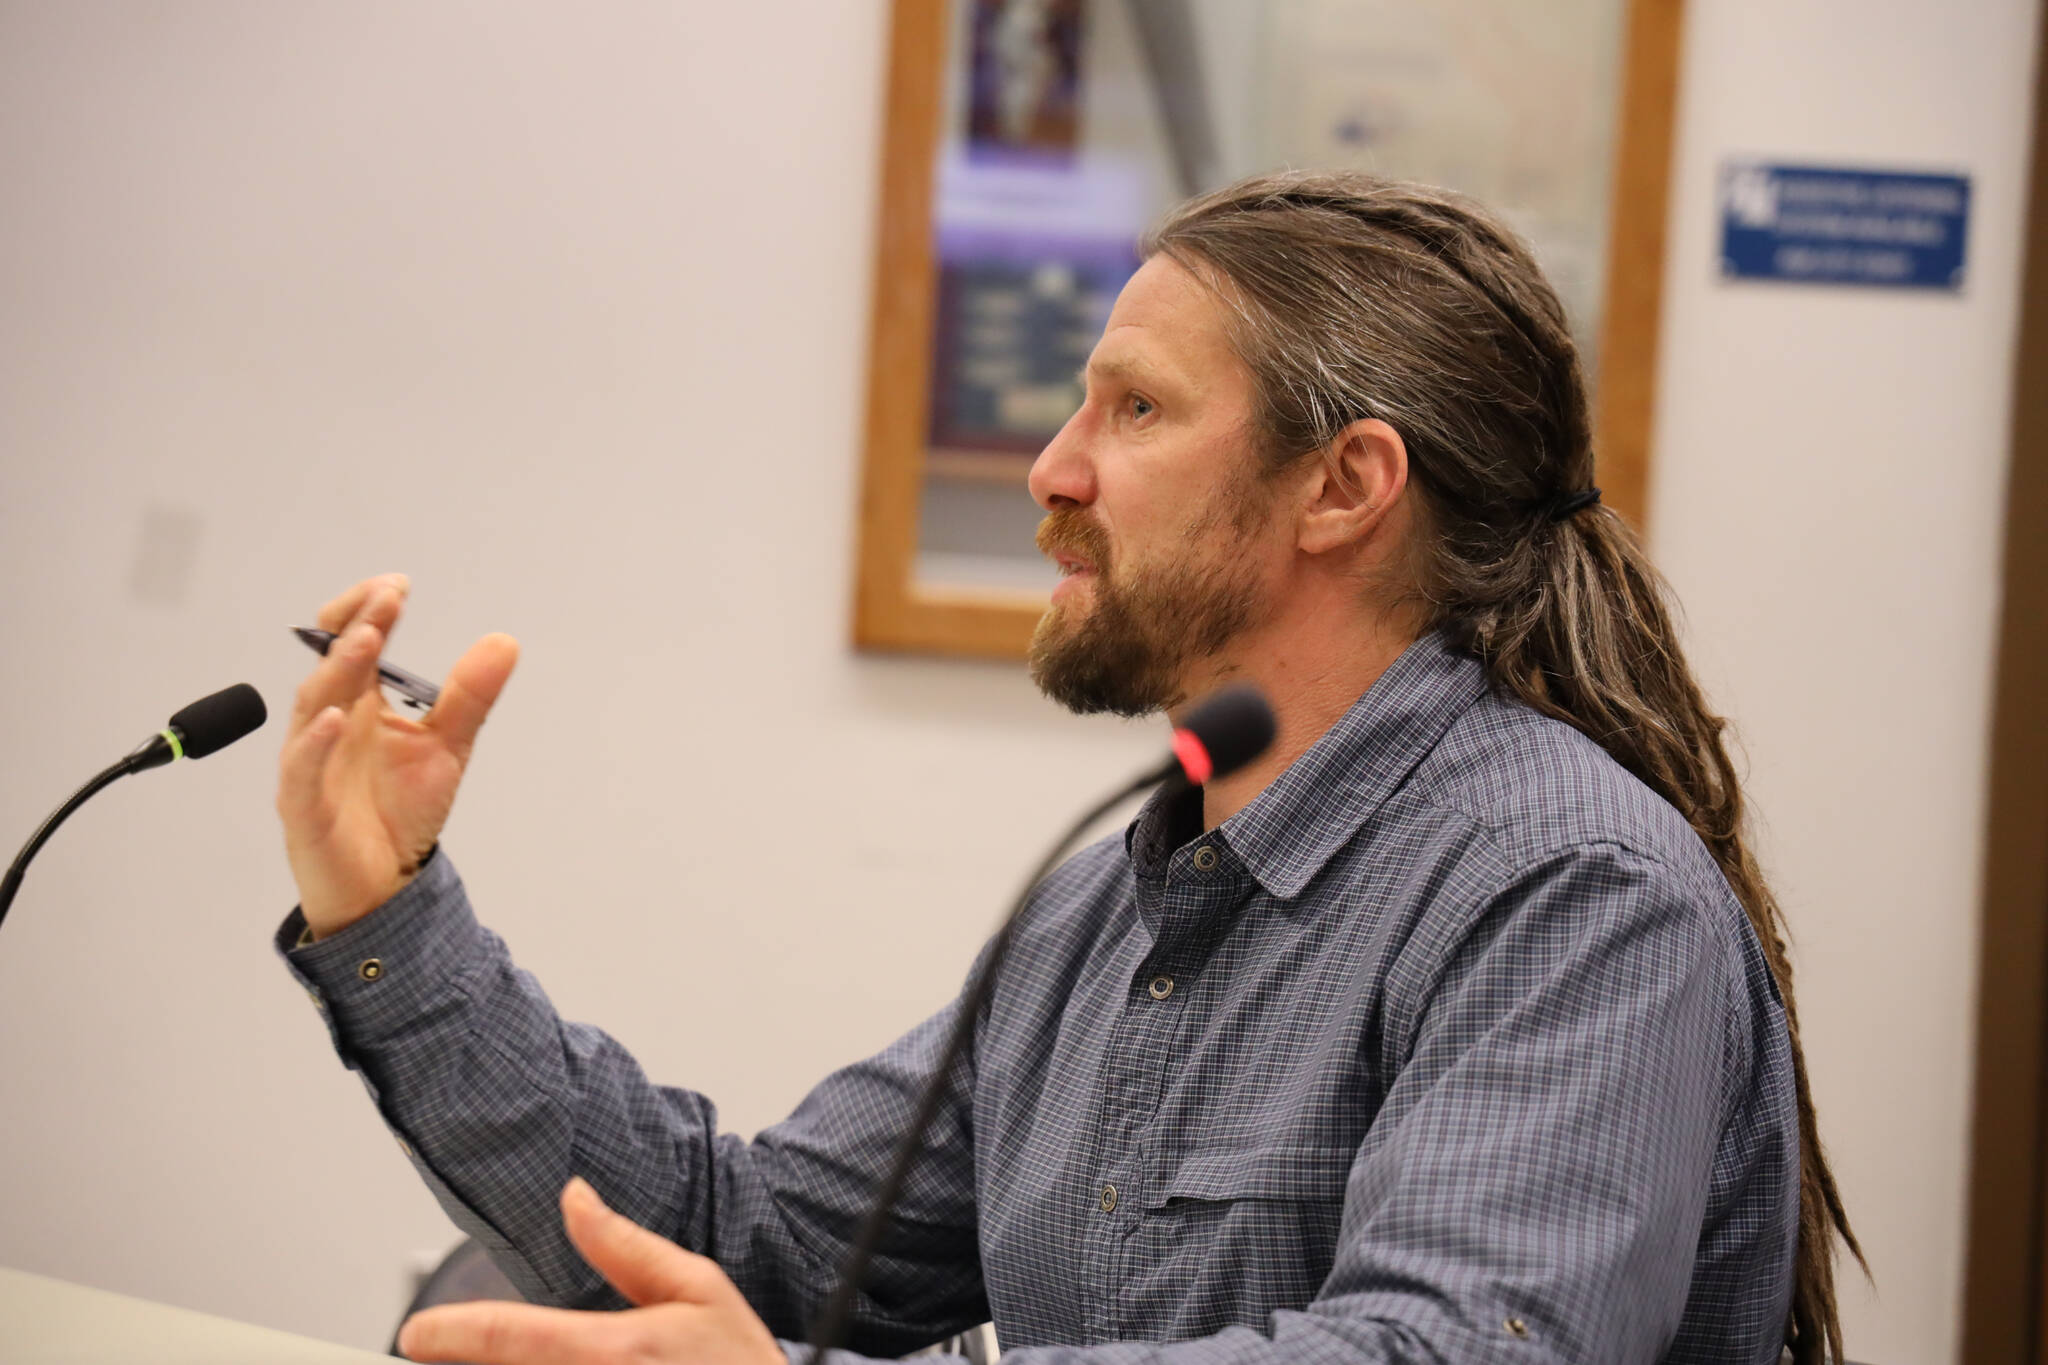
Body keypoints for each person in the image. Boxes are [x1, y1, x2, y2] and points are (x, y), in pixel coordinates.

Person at [274, 171, 1862, 1365]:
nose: (1053, 469)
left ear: (1344, 486)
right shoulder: (1105, 914)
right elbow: (737, 1243)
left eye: (1136, 408)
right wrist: (388, 910)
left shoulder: (1574, 891)